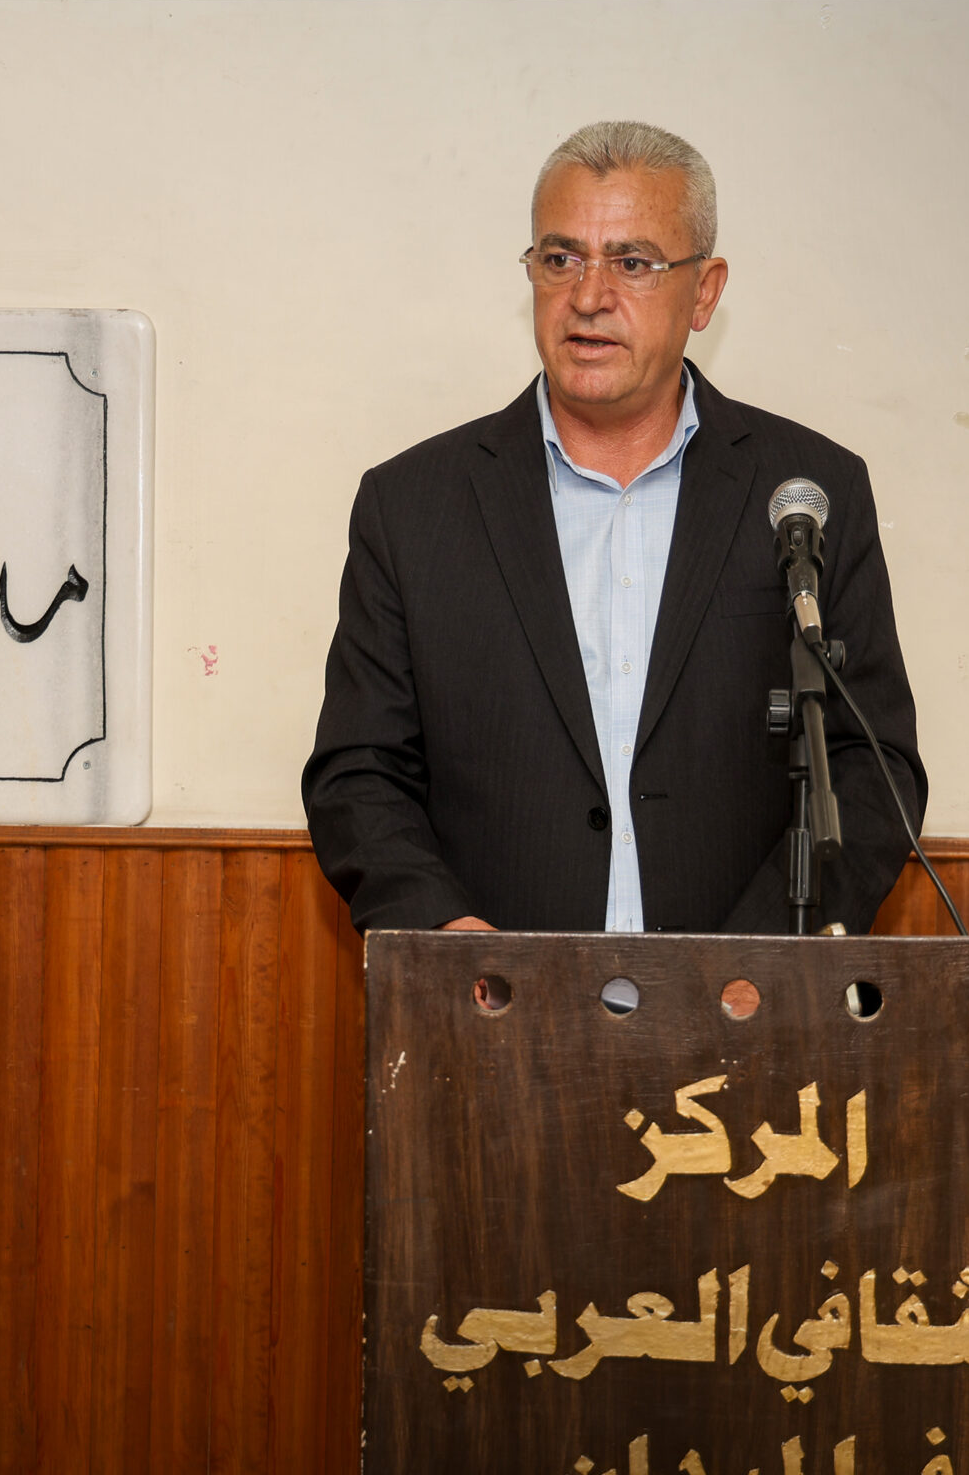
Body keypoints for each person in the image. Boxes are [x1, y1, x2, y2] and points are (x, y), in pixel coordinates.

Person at [303, 120, 926, 935]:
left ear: (704, 292)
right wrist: (450, 943)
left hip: (743, 995)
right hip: (496, 995)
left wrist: (755, 969)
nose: (589, 296)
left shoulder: (807, 493)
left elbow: (871, 769)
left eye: (632, 263)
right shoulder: (413, 505)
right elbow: (358, 774)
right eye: (560, 259)